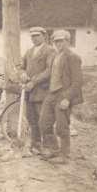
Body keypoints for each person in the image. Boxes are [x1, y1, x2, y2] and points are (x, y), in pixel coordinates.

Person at [39, 30, 83, 164]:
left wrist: (67, 98)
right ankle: (54, 149)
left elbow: (78, 82)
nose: (58, 43)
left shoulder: (73, 57)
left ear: (68, 41)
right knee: (44, 122)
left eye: (61, 41)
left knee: (62, 126)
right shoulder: (55, 56)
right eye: (56, 41)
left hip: (63, 94)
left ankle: (64, 155)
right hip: (51, 93)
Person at [19, 27, 55, 155]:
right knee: (32, 119)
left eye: (37, 36)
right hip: (30, 92)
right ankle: (36, 144)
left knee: (44, 120)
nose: (34, 38)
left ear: (44, 36)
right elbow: (22, 66)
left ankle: (49, 147)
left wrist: (34, 81)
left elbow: (49, 70)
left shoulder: (50, 51)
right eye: (32, 36)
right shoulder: (29, 52)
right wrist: (22, 74)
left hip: (42, 91)